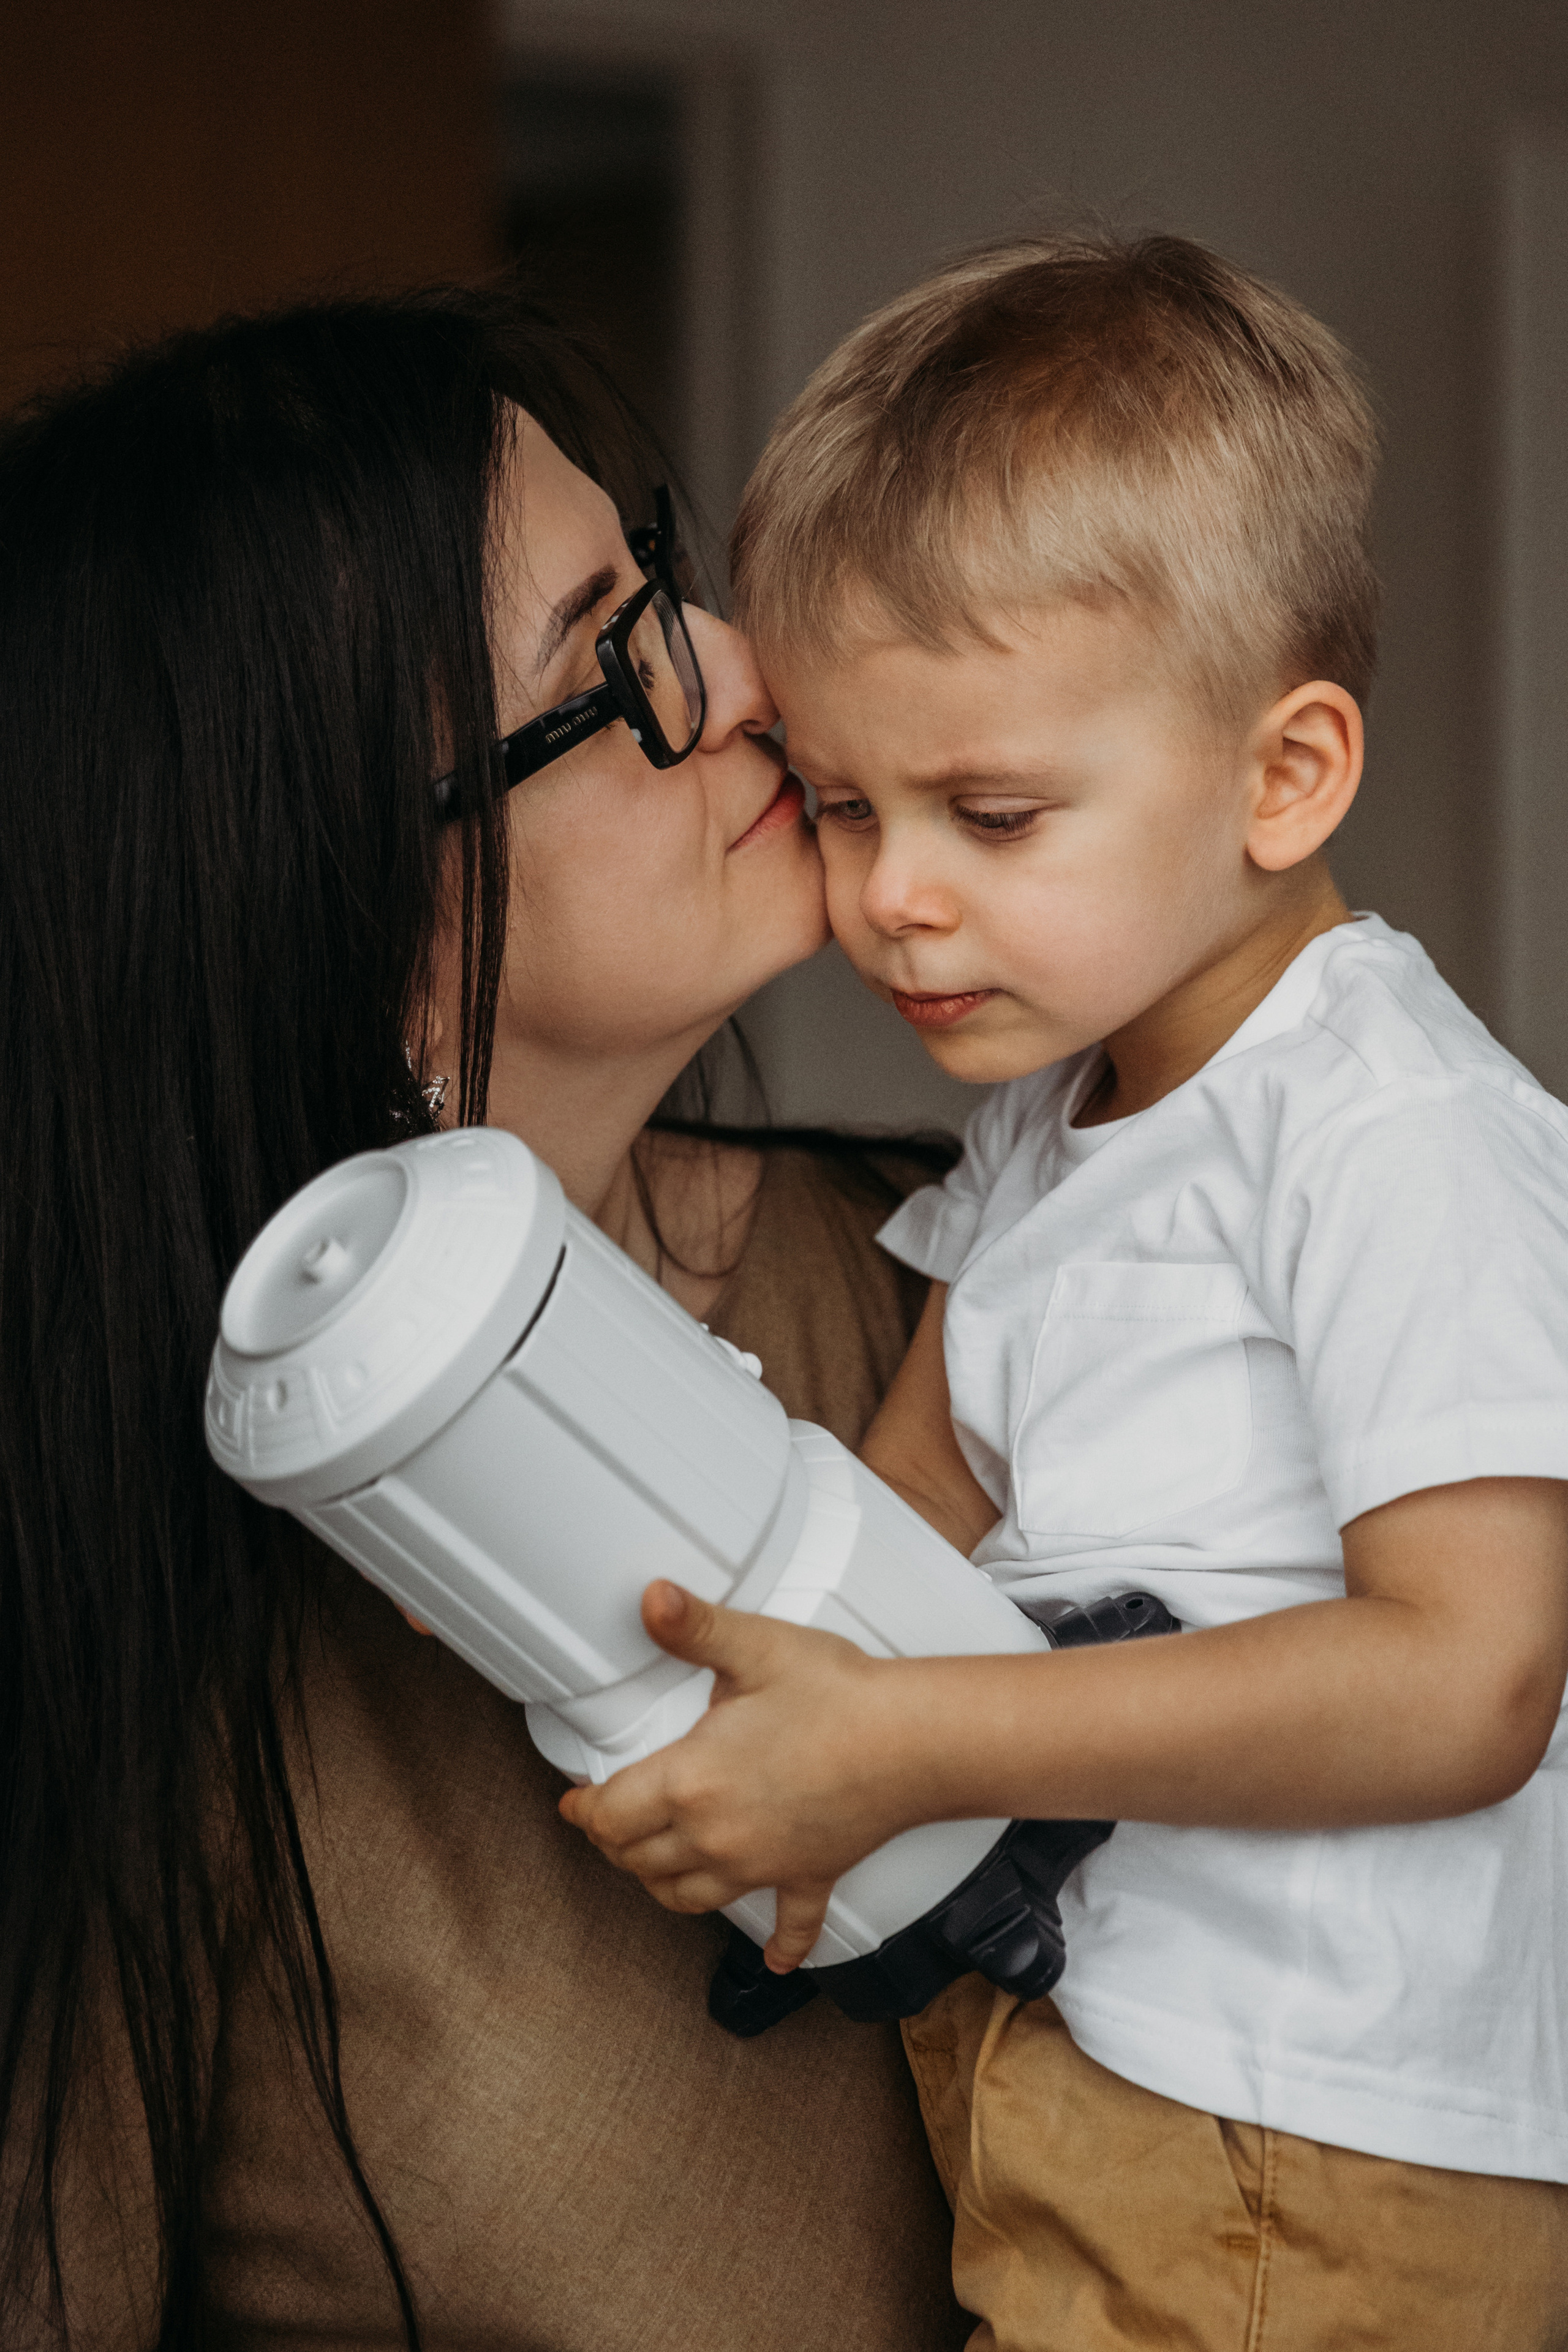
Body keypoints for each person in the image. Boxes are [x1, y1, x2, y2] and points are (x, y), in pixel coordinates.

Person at [562, 235, 1568, 2349]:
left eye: (992, 813)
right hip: (1090, 2074)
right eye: (845, 805)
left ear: (1284, 778)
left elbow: (1468, 1682)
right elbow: (897, 1519)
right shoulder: (1052, 1117)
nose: (890, 894)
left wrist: (911, 1742)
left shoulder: (1392, 1134)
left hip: (1321, 2148)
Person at [0, 288, 970, 2348]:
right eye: (606, 653)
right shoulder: (151, 1686)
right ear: (353, 917)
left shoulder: (968, 1278)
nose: (736, 669)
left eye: (664, 584)